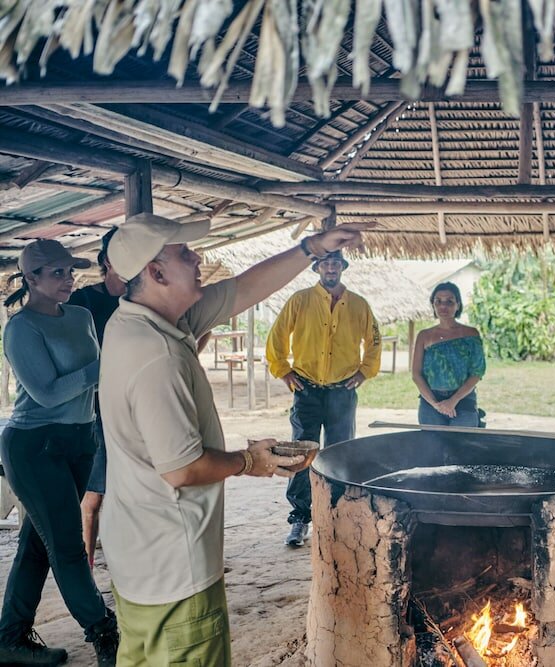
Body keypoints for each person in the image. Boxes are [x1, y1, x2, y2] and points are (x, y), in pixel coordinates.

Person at [99, 212, 372, 666]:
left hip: (140, 554)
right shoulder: (157, 354)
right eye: (184, 253)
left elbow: (243, 290)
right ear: (157, 272)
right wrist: (250, 461)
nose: (197, 257)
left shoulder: (138, 322)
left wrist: (311, 248)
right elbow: (181, 468)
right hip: (175, 564)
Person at [0, 239, 119, 666]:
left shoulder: (81, 316)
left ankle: (11, 639)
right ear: (31, 278)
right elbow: (47, 393)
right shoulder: (21, 328)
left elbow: (97, 381)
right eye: (57, 273)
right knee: (67, 547)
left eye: (70, 271)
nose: (69, 279)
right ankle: (105, 633)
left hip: (80, 440)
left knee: (37, 544)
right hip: (35, 446)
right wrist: (105, 366)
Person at [265, 248, 382, 548]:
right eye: (326, 263)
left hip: (342, 390)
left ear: (342, 267)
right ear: (317, 267)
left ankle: (338, 514)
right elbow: (277, 336)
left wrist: (364, 371)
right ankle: (300, 517)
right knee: (302, 451)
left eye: (336, 263)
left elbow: (374, 341)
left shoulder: (358, 305)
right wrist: (284, 371)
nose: (331, 268)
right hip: (306, 389)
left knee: (340, 451)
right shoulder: (300, 300)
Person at [67, 228, 126, 568]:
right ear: (106, 261)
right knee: (94, 495)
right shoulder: (83, 303)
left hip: (132, 405)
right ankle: (86, 570)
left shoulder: (142, 300)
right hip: (96, 409)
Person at [411, 282, 486, 427]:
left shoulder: (471, 334)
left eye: (449, 302)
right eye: (438, 301)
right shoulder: (424, 336)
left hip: (463, 399)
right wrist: (435, 404)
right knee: (432, 442)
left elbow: (477, 372)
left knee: (463, 441)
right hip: (431, 403)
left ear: (458, 305)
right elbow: (416, 374)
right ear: (433, 305)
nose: (443, 306)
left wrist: (453, 401)